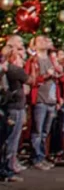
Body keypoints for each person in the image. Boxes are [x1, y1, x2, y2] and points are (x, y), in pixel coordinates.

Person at [27, 35, 57, 169]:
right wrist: (46, 76)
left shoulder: (51, 59)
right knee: (37, 131)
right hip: (40, 99)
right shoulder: (33, 61)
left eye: (45, 39)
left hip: (51, 99)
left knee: (45, 132)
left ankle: (42, 156)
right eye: (40, 41)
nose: (44, 41)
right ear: (34, 46)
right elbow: (30, 80)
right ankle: (36, 158)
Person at [3, 40, 29, 178]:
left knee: (13, 139)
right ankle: (8, 169)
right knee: (11, 140)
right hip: (14, 108)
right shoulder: (14, 70)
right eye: (19, 54)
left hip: (17, 106)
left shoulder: (11, 69)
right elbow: (30, 79)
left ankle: (10, 165)